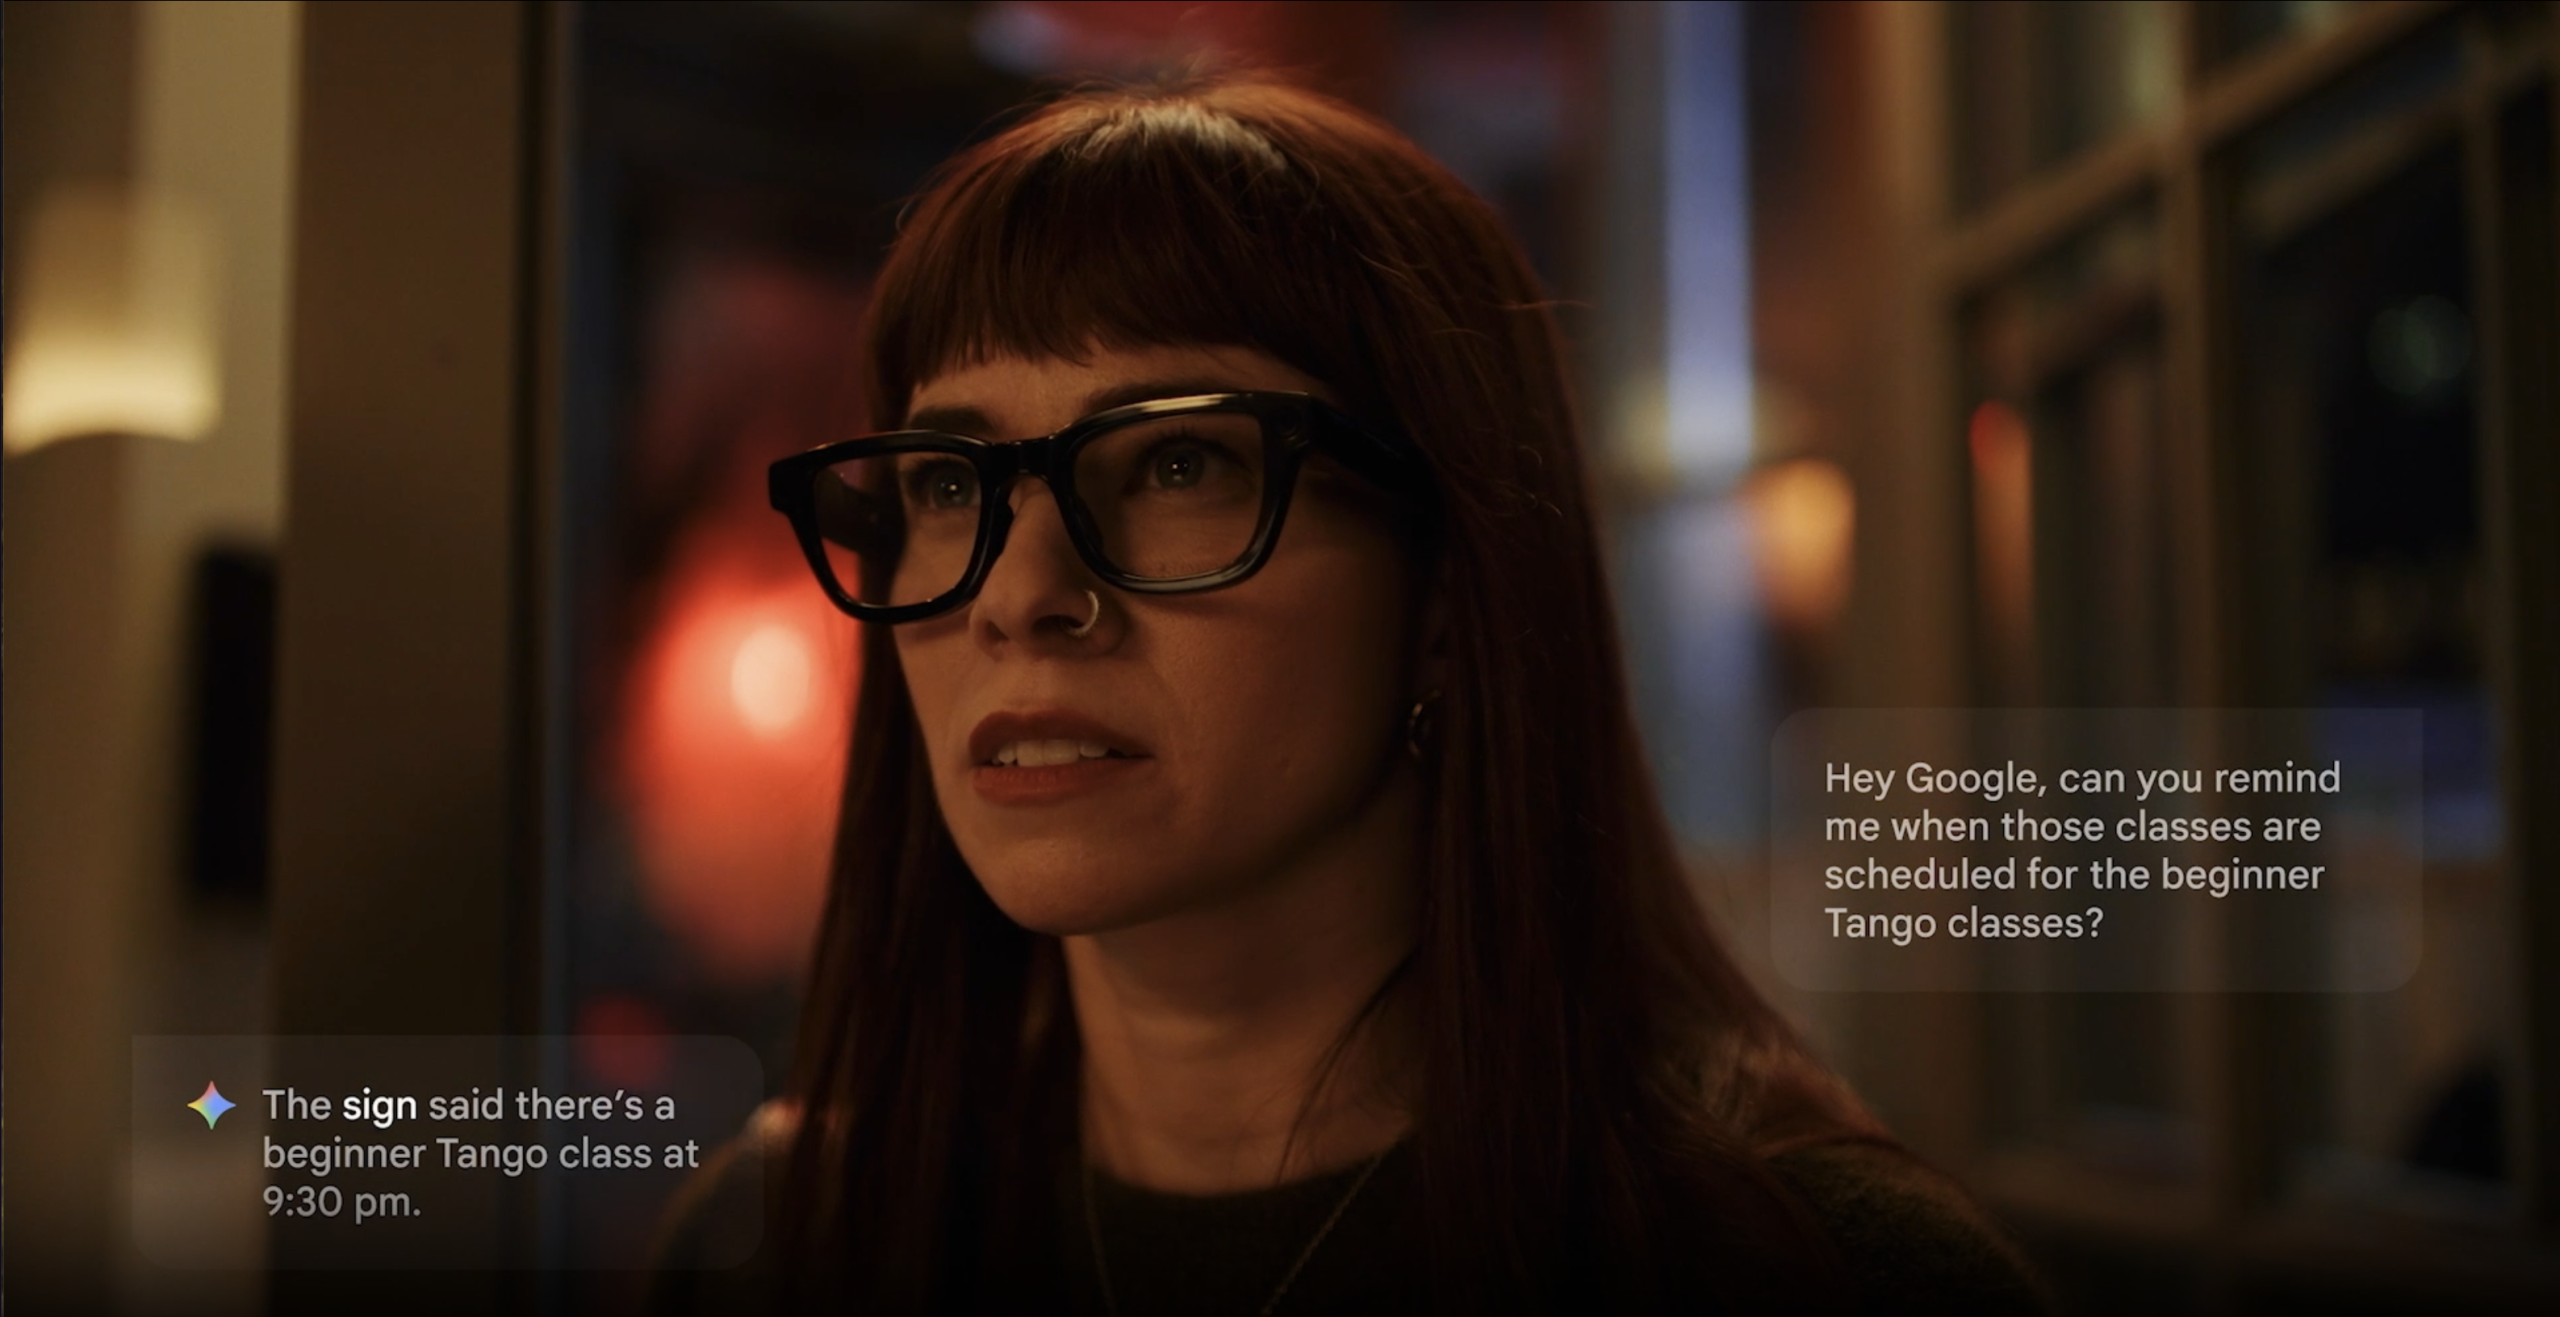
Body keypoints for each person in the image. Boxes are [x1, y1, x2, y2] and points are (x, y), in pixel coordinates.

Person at [652, 74, 2047, 1316]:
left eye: (1183, 464)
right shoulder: (780, 1250)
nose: (1021, 592)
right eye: (951, 485)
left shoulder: (1819, 1275)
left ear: (1444, 595)